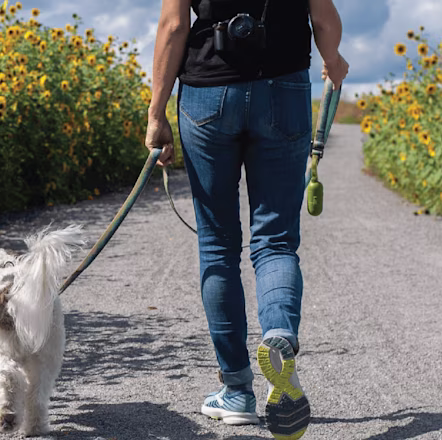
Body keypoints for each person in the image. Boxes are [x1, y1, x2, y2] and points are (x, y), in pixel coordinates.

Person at [145, 0, 348, 438]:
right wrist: (333, 61)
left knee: (217, 246)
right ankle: (278, 335)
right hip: (285, 89)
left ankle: (237, 391)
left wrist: (156, 112)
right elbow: (323, 17)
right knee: (275, 241)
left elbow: (174, 24)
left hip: (206, 92)